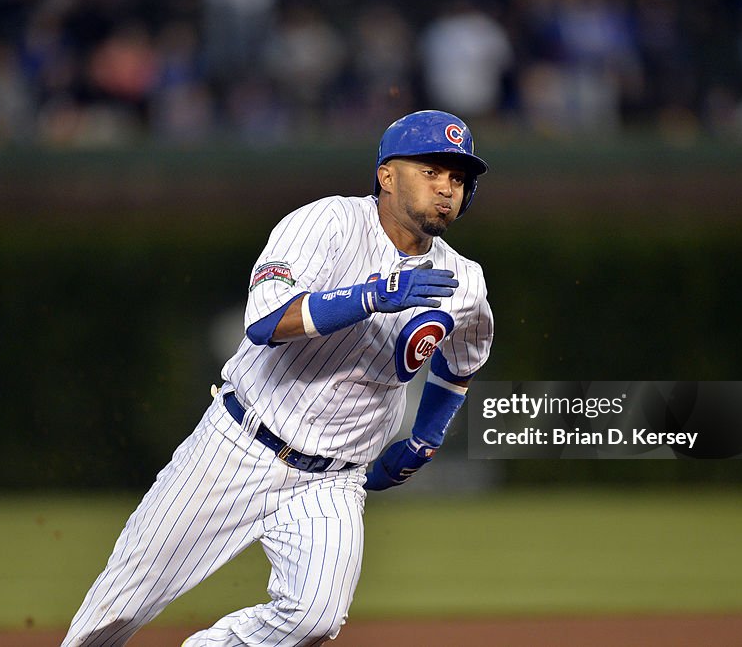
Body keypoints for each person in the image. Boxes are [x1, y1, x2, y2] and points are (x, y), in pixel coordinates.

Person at [61, 110, 495, 646]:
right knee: (119, 607)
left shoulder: (464, 281)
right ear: (386, 174)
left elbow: (463, 360)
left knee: (315, 618)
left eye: (457, 178)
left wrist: (427, 438)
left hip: (335, 478)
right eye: (431, 170)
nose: (446, 188)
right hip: (238, 447)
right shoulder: (326, 223)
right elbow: (267, 322)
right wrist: (371, 297)